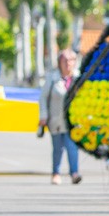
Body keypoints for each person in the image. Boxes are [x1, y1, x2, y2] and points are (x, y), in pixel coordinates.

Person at [40, 49, 82, 184]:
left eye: (71, 60)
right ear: (59, 63)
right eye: (65, 61)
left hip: (73, 121)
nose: (68, 64)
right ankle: (56, 173)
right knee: (57, 148)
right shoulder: (52, 78)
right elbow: (43, 98)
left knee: (72, 147)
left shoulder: (79, 78)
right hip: (56, 120)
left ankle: (74, 173)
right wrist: (43, 116)